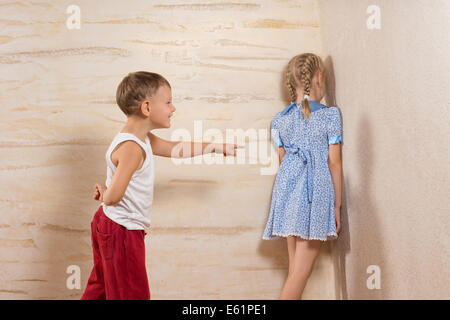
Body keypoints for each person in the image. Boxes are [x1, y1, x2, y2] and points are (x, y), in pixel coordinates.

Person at [81, 71, 240, 300]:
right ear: (146, 108)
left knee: (102, 288)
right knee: (132, 294)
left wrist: (213, 146)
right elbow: (114, 196)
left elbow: (175, 148)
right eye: (168, 102)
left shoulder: (140, 138)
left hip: (109, 225)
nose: (173, 108)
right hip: (122, 231)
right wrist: (106, 192)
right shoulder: (133, 148)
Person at [262, 53, 343, 299]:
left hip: (286, 192)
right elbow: (335, 162)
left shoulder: (279, 120)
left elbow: (283, 159)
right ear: (319, 78)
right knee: (300, 273)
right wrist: (336, 206)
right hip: (313, 194)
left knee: (295, 271)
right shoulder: (329, 115)